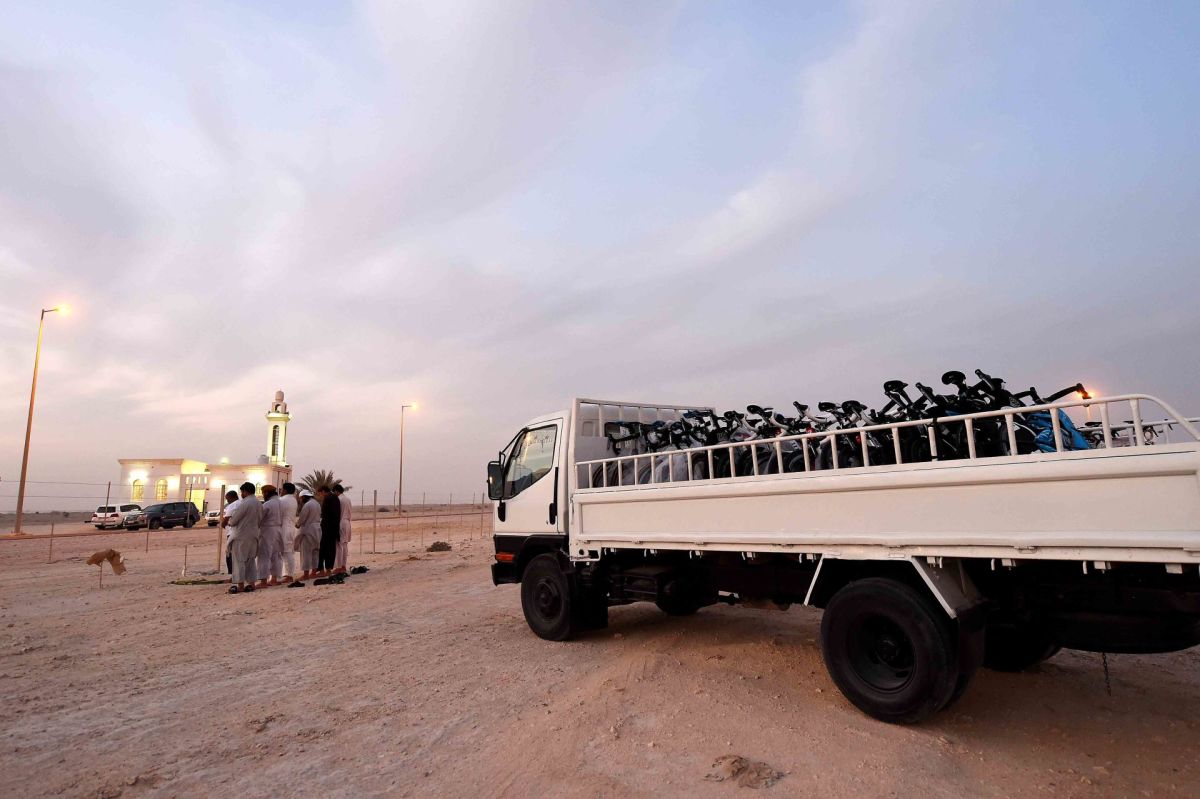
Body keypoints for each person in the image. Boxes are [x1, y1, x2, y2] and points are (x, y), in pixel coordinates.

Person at [227, 482, 262, 594]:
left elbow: (234, 520)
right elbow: (260, 520)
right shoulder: (258, 503)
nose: (241, 494)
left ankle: (240, 585)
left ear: (245, 491)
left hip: (241, 536)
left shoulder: (245, 503)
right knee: (251, 560)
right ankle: (252, 584)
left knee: (239, 561)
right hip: (254, 535)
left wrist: (230, 521)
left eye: (242, 492)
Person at [257, 485, 284, 588]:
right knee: (276, 555)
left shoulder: (267, 504)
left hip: (267, 530)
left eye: (263, 493)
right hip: (278, 530)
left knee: (264, 555)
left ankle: (263, 581)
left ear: (266, 493)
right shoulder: (281, 502)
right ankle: (274, 579)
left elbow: (259, 518)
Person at [295, 490, 321, 579]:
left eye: (301, 498)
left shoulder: (307, 505)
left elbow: (302, 518)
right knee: (315, 552)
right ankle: (314, 572)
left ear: (304, 497)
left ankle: (306, 574)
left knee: (305, 553)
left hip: (308, 530)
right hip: (317, 530)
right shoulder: (317, 504)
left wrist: (297, 524)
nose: (300, 500)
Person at [317, 485, 341, 577]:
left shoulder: (327, 499)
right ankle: (329, 569)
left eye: (320, 493)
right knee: (331, 549)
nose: (320, 496)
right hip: (334, 528)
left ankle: (322, 570)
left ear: (323, 491)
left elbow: (325, 514)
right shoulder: (335, 498)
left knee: (323, 549)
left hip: (327, 528)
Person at [278, 482, 299, 582]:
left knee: (286, 552)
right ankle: (288, 574)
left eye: (281, 489)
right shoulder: (293, 499)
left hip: (285, 528)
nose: (281, 491)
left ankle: (288, 575)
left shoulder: (283, 500)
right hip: (291, 528)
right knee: (289, 551)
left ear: (285, 490)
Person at [333, 484, 352, 574]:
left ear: (336, 491)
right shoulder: (348, 499)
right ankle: (343, 565)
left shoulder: (339, 499)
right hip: (347, 522)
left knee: (339, 545)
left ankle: (339, 566)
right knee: (344, 545)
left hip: (341, 522)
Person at [221, 490, 240, 577]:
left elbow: (226, 520)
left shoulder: (232, 505)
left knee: (229, 554)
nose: (227, 501)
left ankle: (232, 575)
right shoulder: (242, 503)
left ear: (232, 497)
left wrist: (223, 525)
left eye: (227, 499)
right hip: (243, 532)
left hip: (232, 533)